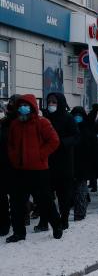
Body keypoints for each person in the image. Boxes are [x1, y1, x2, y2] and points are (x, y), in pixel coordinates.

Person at [7, 94, 63, 242]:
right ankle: (19, 232)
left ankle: (57, 225)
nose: (22, 108)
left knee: (45, 201)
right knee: (16, 203)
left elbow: (54, 141)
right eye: (20, 106)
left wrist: (40, 155)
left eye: (25, 105)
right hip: (19, 170)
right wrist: (14, 158)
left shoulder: (42, 122)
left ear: (32, 107)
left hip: (39, 170)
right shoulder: (15, 124)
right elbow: (11, 144)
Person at [36, 93, 79, 232]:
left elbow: (76, 136)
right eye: (49, 101)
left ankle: (64, 220)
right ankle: (44, 221)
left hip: (64, 162)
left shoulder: (68, 118)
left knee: (63, 195)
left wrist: (62, 143)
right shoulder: (45, 117)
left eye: (54, 101)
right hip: (47, 161)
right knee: (45, 195)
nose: (51, 104)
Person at [70, 106, 98, 221]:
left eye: (79, 115)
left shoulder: (88, 130)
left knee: (80, 188)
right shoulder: (70, 129)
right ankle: (79, 205)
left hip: (83, 165)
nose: (77, 117)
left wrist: (96, 165)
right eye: (75, 115)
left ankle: (80, 212)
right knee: (73, 189)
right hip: (70, 164)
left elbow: (95, 149)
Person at [0, 95, 20, 237]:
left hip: (17, 164)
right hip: (3, 163)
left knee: (16, 197)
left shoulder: (22, 122)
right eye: (10, 103)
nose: (10, 105)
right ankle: (4, 224)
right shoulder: (3, 122)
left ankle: (18, 224)